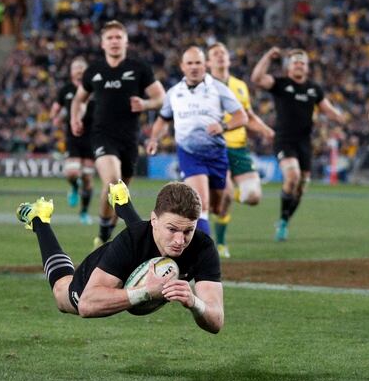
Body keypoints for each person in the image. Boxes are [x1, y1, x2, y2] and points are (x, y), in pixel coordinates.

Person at [15, 181, 224, 334]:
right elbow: (87, 306)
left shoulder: (203, 247)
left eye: (188, 231)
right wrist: (145, 291)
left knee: (149, 239)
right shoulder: (129, 242)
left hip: (144, 240)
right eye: (172, 229)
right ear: (154, 219)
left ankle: (122, 202)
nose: (180, 240)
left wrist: (194, 303)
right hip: (124, 259)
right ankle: (39, 219)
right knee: (62, 294)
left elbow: (216, 321)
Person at [70, 21, 165, 248]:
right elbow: (78, 99)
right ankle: (118, 234)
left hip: (129, 140)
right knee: (113, 184)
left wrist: (145, 103)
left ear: (125, 41)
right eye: (110, 38)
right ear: (103, 43)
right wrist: (75, 117)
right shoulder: (94, 71)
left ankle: (105, 232)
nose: (114, 41)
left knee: (121, 191)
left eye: (118, 37)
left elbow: (161, 98)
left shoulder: (139, 68)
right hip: (102, 136)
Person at [146, 47, 247, 240]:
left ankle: (215, 237)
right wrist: (154, 139)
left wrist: (223, 126)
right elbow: (162, 119)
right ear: (182, 66)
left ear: (205, 65)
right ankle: (205, 255)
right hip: (189, 153)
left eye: (198, 63)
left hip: (216, 153)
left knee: (219, 205)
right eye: (190, 63)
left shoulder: (218, 89)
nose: (194, 67)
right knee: (202, 204)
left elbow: (241, 117)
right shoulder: (174, 93)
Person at [251, 48, 346, 241]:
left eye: (302, 62)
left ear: (307, 67)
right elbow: (257, 78)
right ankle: (283, 225)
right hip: (284, 140)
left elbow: (328, 109)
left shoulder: (314, 89)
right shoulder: (280, 84)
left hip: (305, 143)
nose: (299, 65)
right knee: (292, 176)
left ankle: (284, 221)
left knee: (301, 187)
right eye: (295, 62)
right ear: (288, 66)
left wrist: (339, 118)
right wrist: (268, 56)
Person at [206, 42, 274, 258]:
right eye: (215, 54)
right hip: (215, 147)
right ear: (208, 62)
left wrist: (264, 129)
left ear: (229, 58)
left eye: (223, 53)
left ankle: (226, 195)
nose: (220, 56)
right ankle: (222, 243)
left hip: (239, 147)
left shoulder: (239, 85)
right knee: (224, 193)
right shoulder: (204, 85)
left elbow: (248, 115)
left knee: (253, 197)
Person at [50, 57, 95, 224]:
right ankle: (74, 188)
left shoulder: (94, 90)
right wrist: (56, 116)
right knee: (72, 173)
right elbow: (55, 109)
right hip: (73, 138)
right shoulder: (66, 90)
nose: (78, 70)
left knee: (88, 179)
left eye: (82, 68)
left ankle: (83, 212)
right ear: (71, 72)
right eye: (75, 67)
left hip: (92, 139)